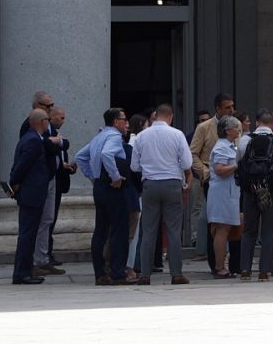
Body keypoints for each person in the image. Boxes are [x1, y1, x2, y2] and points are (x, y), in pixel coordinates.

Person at [130, 103, 194, 285]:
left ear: (155, 116)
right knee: (173, 231)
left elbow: (134, 166)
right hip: (172, 183)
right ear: (171, 117)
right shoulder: (177, 134)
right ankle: (176, 273)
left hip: (150, 184)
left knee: (149, 230)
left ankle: (144, 274)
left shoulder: (142, 136)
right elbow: (187, 162)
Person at [76, 108, 131, 285]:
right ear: (116, 122)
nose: (126, 123)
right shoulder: (114, 136)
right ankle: (117, 273)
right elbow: (107, 154)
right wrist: (115, 176)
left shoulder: (99, 136)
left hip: (100, 187)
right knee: (118, 230)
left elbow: (80, 156)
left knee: (100, 230)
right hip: (112, 187)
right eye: (124, 119)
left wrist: (94, 176)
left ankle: (100, 273)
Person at [238, 110, 273, 280]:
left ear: (257, 123)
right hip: (272, 191)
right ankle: (264, 271)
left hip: (250, 191)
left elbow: (239, 165)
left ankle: (245, 269)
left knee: (248, 231)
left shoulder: (245, 141)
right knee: (269, 230)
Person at [9, 108, 56, 285]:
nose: (49, 123)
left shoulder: (28, 138)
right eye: (47, 120)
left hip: (30, 193)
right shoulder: (34, 141)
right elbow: (22, 165)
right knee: (28, 235)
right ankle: (22, 273)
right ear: (42, 122)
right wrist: (14, 182)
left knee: (27, 234)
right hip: (32, 194)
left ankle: (24, 271)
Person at [190, 92, 235, 273]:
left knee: (231, 222)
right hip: (213, 178)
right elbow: (192, 153)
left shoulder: (234, 126)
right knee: (214, 222)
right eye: (227, 107)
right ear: (218, 109)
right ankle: (215, 262)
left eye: (232, 106)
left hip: (232, 180)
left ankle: (230, 261)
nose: (231, 110)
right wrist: (204, 171)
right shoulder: (204, 127)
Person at [35, 104, 76, 275]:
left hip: (57, 179)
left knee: (49, 219)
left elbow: (64, 145)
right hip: (48, 181)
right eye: (61, 117)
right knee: (45, 221)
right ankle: (41, 259)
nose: (63, 121)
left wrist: (60, 143)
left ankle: (45, 257)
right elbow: (52, 147)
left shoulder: (52, 132)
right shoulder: (41, 133)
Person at [206, 115, 243, 277]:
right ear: (228, 130)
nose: (239, 130)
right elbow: (220, 169)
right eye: (236, 128)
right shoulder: (221, 147)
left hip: (229, 192)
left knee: (227, 228)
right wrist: (237, 165)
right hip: (222, 193)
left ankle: (222, 265)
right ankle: (220, 266)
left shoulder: (229, 146)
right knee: (222, 229)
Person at [123, 113, 149, 278]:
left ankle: (131, 265)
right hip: (135, 191)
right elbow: (135, 168)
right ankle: (129, 266)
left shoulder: (132, 142)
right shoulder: (135, 142)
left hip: (135, 190)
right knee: (133, 231)